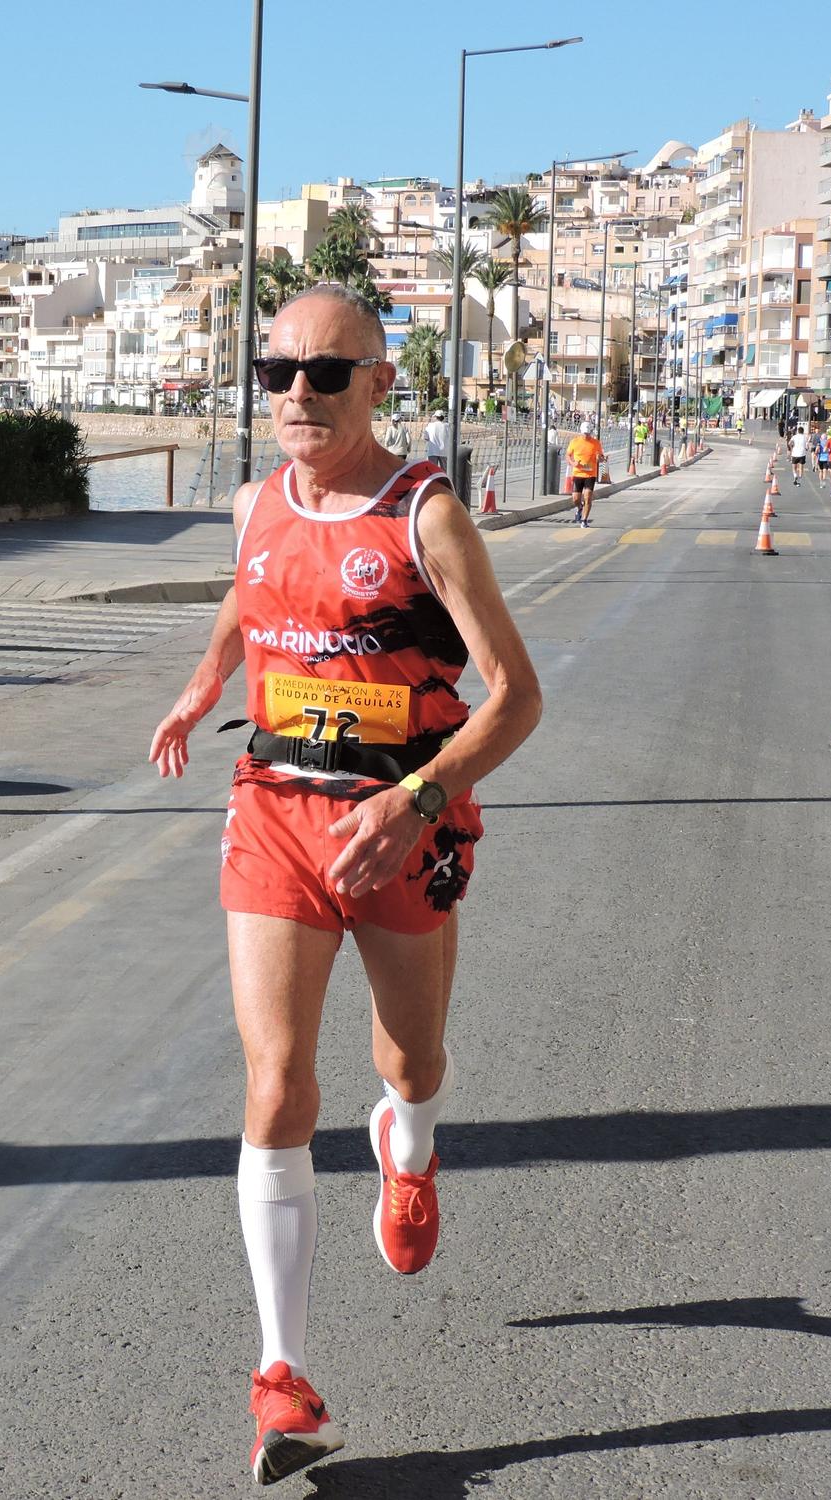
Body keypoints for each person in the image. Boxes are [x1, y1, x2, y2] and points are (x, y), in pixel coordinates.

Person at [147, 283, 542, 1487]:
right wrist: (203, 680)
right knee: (274, 1084)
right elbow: (250, 590)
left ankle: (407, 1146)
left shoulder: (426, 517)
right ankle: (281, 1379)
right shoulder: (251, 502)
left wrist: (414, 797)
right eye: (277, 375)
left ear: (378, 380)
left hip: (396, 821)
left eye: (326, 373)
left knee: (407, 1061)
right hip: (272, 808)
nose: (298, 396)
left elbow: (516, 698)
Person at [566, 428, 605, 526]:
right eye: (585, 433)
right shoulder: (574, 442)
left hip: (590, 474)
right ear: (581, 432)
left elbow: (601, 458)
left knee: (588, 497)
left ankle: (584, 520)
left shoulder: (596, 443)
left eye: (588, 433)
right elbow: (567, 455)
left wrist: (600, 458)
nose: (586, 435)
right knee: (575, 499)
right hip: (578, 473)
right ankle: (579, 508)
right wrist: (573, 463)